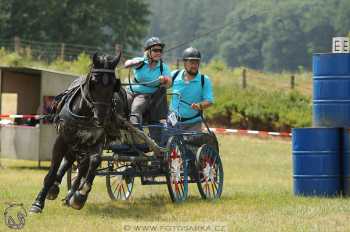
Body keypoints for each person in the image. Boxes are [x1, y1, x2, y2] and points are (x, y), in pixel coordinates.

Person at [124, 37, 172, 142]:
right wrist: (135, 61)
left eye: (160, 51)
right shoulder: (140, 62)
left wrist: (164, 79)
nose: (158, 53)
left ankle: (136, 140)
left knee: (136, 108)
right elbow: (126, 64)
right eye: (155, 50)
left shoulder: (163, 68)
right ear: (148, 51)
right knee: (119, 104)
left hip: (145, 95)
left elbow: (169, 83)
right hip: (129, 91)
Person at [170, 47, 214, 131]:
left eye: (197, 62)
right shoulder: (174, 75)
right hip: (173, 121)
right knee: (167, 143)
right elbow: (161, 87)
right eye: (191, 62)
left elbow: (209, 101)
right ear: (185, 63)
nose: (194, 65)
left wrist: (199, 105)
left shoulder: (204, 80)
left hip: (194, 123)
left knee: (191, 144)